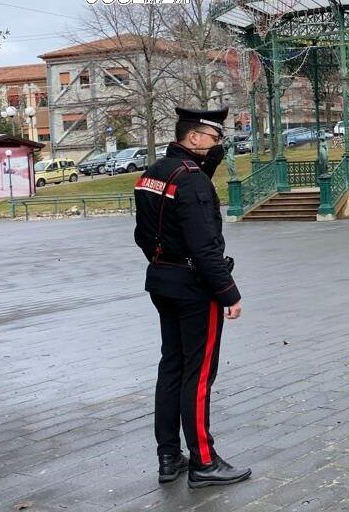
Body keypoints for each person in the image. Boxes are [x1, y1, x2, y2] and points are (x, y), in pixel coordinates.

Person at [134, 106, 251, 488]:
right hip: (194, 287)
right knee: (198, 375)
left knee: (171, 367)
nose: (219, 145)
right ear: (194, 137)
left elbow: (142, 235)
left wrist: (165, 262)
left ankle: (169, 456)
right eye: (214, 138)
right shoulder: (192, 181)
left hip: (162, 279)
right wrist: (229, 292)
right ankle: (204, 461)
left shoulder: (153, 174)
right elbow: (205, 247)